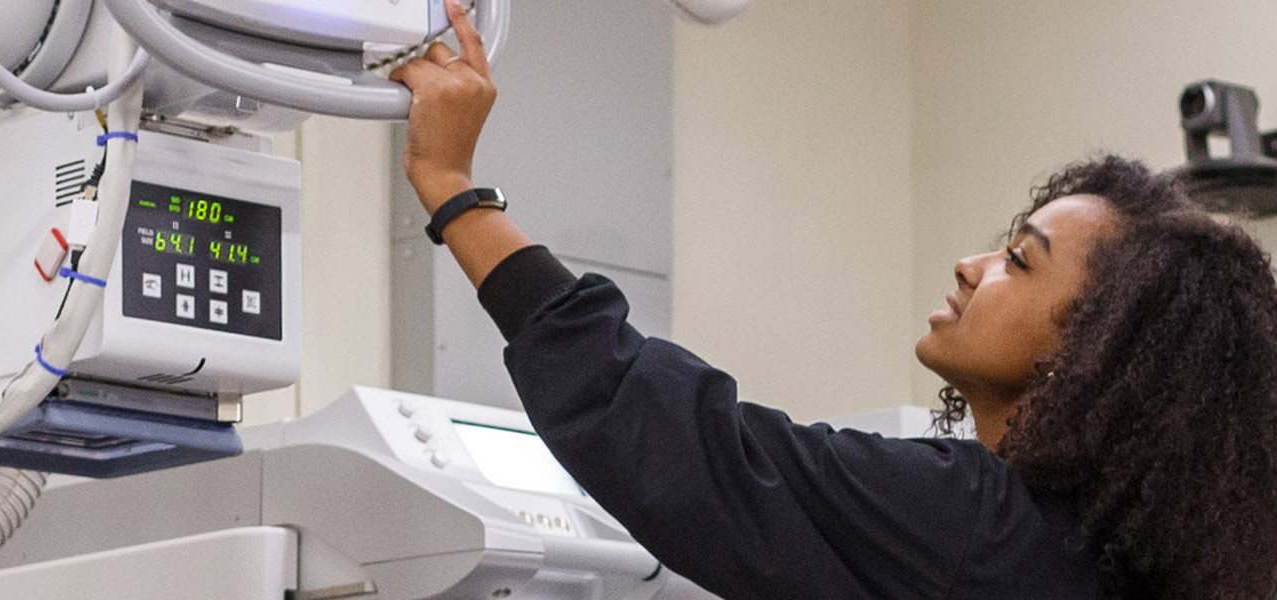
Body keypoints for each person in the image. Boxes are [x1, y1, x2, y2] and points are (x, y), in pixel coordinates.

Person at [388, 3, 1277, 598]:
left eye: (1018, 260)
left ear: (1091, 349)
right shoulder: (1116, 555)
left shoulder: (983, 530)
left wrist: (453, 188)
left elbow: (689, 444)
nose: (972, 266)